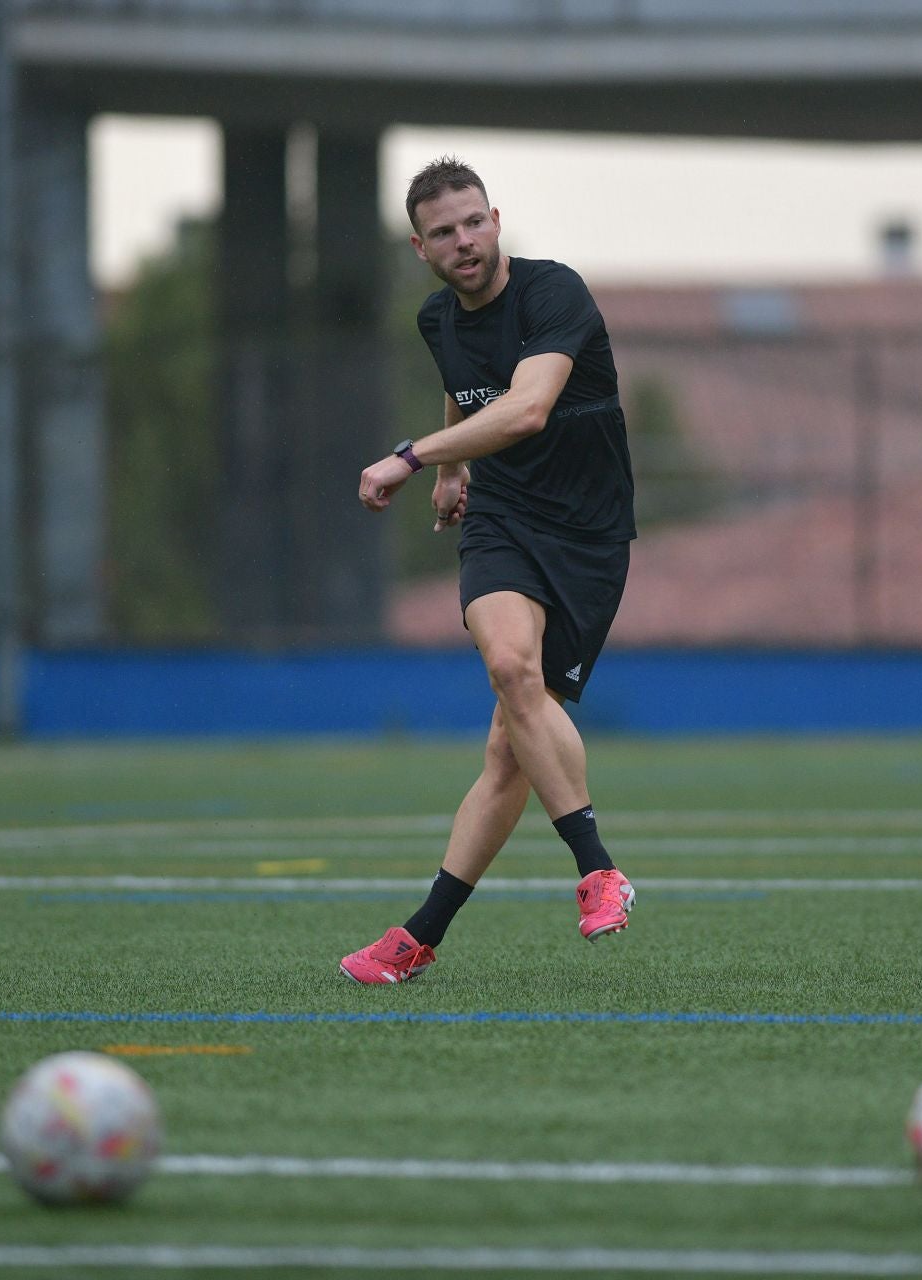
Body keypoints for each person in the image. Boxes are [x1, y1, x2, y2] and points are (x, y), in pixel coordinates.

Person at [339, 157, 638, 985]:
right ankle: (598, 869)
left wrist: (411, 457)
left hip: (588, 534)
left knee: (510, 750)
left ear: (496, 219)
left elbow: (527, 405)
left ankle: (418, 937)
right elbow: (466, 392)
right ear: (420, 248)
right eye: (444, 232)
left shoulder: (554, 294)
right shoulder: (439, 320)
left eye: (473, 222)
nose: (463, 241)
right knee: (511, 667)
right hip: (503, 519)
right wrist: (448, 472)